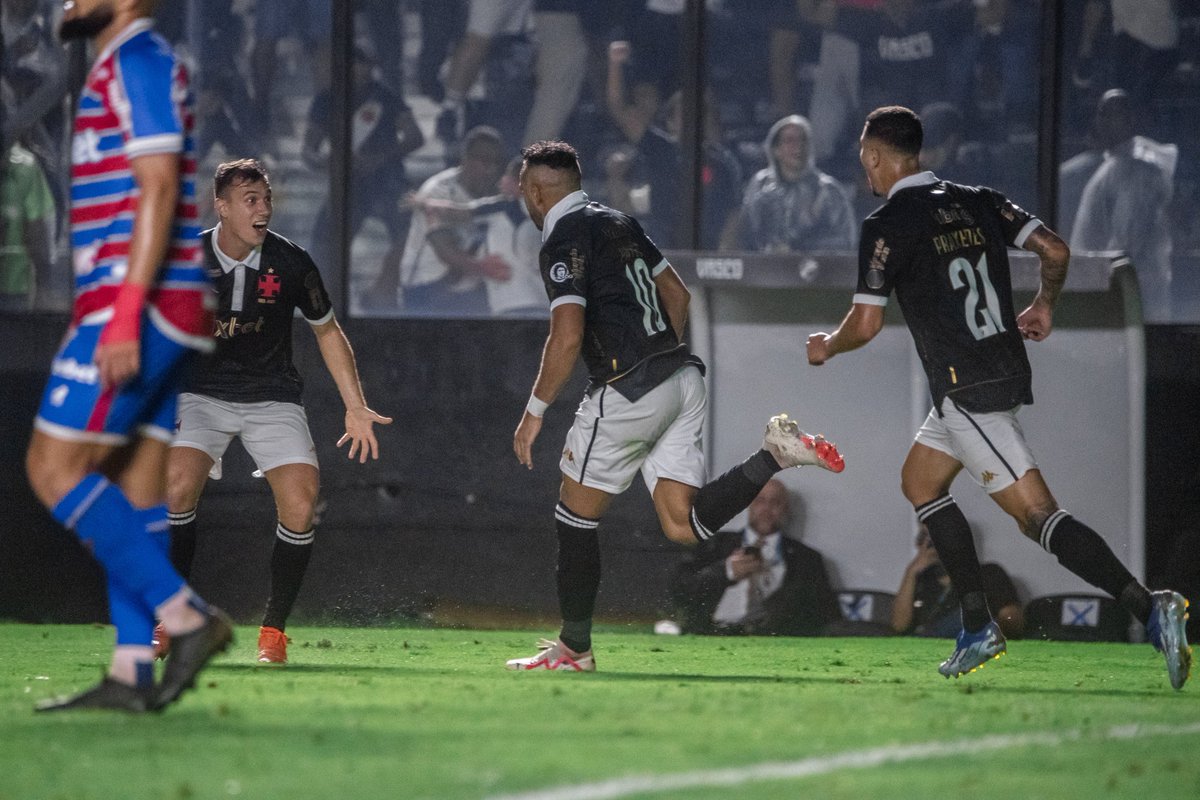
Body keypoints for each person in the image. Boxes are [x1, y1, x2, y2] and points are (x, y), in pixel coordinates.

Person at [805, 105, 1190, 688]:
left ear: (879, 157)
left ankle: (1149, 607)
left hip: (969, 390)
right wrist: (1044, 305)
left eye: (866, 161)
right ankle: (977, 623)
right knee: (920, 481)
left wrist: (826, 347)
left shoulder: (886, 225)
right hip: (997, 370)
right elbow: (1055, 251)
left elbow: (863, 325)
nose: (866, 174)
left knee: (1037, 517)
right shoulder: (980, 197)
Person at [506, 140, 846, 672]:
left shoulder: (561, 237)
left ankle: (574, 649)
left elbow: (567, 335)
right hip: (680, 376)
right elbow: (679, 296)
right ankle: (772, 458)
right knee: (684, 525)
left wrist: (534, 412)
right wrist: (660, 359)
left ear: (534, 191)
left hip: (628, 386)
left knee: (575, 517)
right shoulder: (620, 222)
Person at [24, 0, 232, 713]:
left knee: (53, 468)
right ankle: (130, 672)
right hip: (156, 306)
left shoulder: (138, 60)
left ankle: (187, 618)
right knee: (136, 486)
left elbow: (160, 188)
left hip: (143, 306)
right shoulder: (125, 64)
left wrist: (118, 314)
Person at [162, 158, 392, 664]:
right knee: (177, 486)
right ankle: (170, 620)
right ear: (221, 206)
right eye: (250, 200)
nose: (263, 208)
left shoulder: (292, 262)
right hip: (200, 392)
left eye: (266, 198)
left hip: (272, 395)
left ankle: (273, 631)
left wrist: (356, 406)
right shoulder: (186, 259)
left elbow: (328, 331)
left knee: (302, 501)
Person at [669, 479, 840, 637]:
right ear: (748, 505)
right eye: (760, 501)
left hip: (775, 644)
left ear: (786, 510)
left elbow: (827, 616)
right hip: (712, 636)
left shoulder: (808, 560)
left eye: (776, 502)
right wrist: (725, 571)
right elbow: (678, 590)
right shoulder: (713, 545)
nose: (767, 509)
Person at [1069, 89, 1175, 320]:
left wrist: (1109, 290)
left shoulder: (1137, 171)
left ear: (1130, 120)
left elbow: (1126, 243)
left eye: (1112, 114)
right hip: (1108, 295)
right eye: (1101, 114)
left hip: (1127, 300)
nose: (1103, 121)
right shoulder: (1112, 166)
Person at [398, 126, 509, 316]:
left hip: (470, 287)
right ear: (465, 158)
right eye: (483, 161)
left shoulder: (495, 194)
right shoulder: (438, 191)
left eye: (495, 163)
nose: (490, 169)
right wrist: (489, 271)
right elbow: (447, 253)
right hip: (427, 289)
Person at [731, 114, 856, 253]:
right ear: (775, 149)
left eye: (803, 140)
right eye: (790, 140)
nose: (798, 146)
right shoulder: (759, 185)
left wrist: (799, 249)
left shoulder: (828, 190)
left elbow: (845, 241)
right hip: (764, 270)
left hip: (818, 270)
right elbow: (745, 234)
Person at [892, 523, 1024, 639]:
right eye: (923, 538)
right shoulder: (923, 580)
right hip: (929, 644)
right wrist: (911, 572)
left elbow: (1012, 618)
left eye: (937, 537)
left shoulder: (987, 573)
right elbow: (899, 626)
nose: (930, 545)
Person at [0, 139, 55, 311]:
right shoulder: (25, 166)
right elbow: (37, 228)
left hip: (14, 282)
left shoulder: (25, 168)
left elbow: (37, 228)